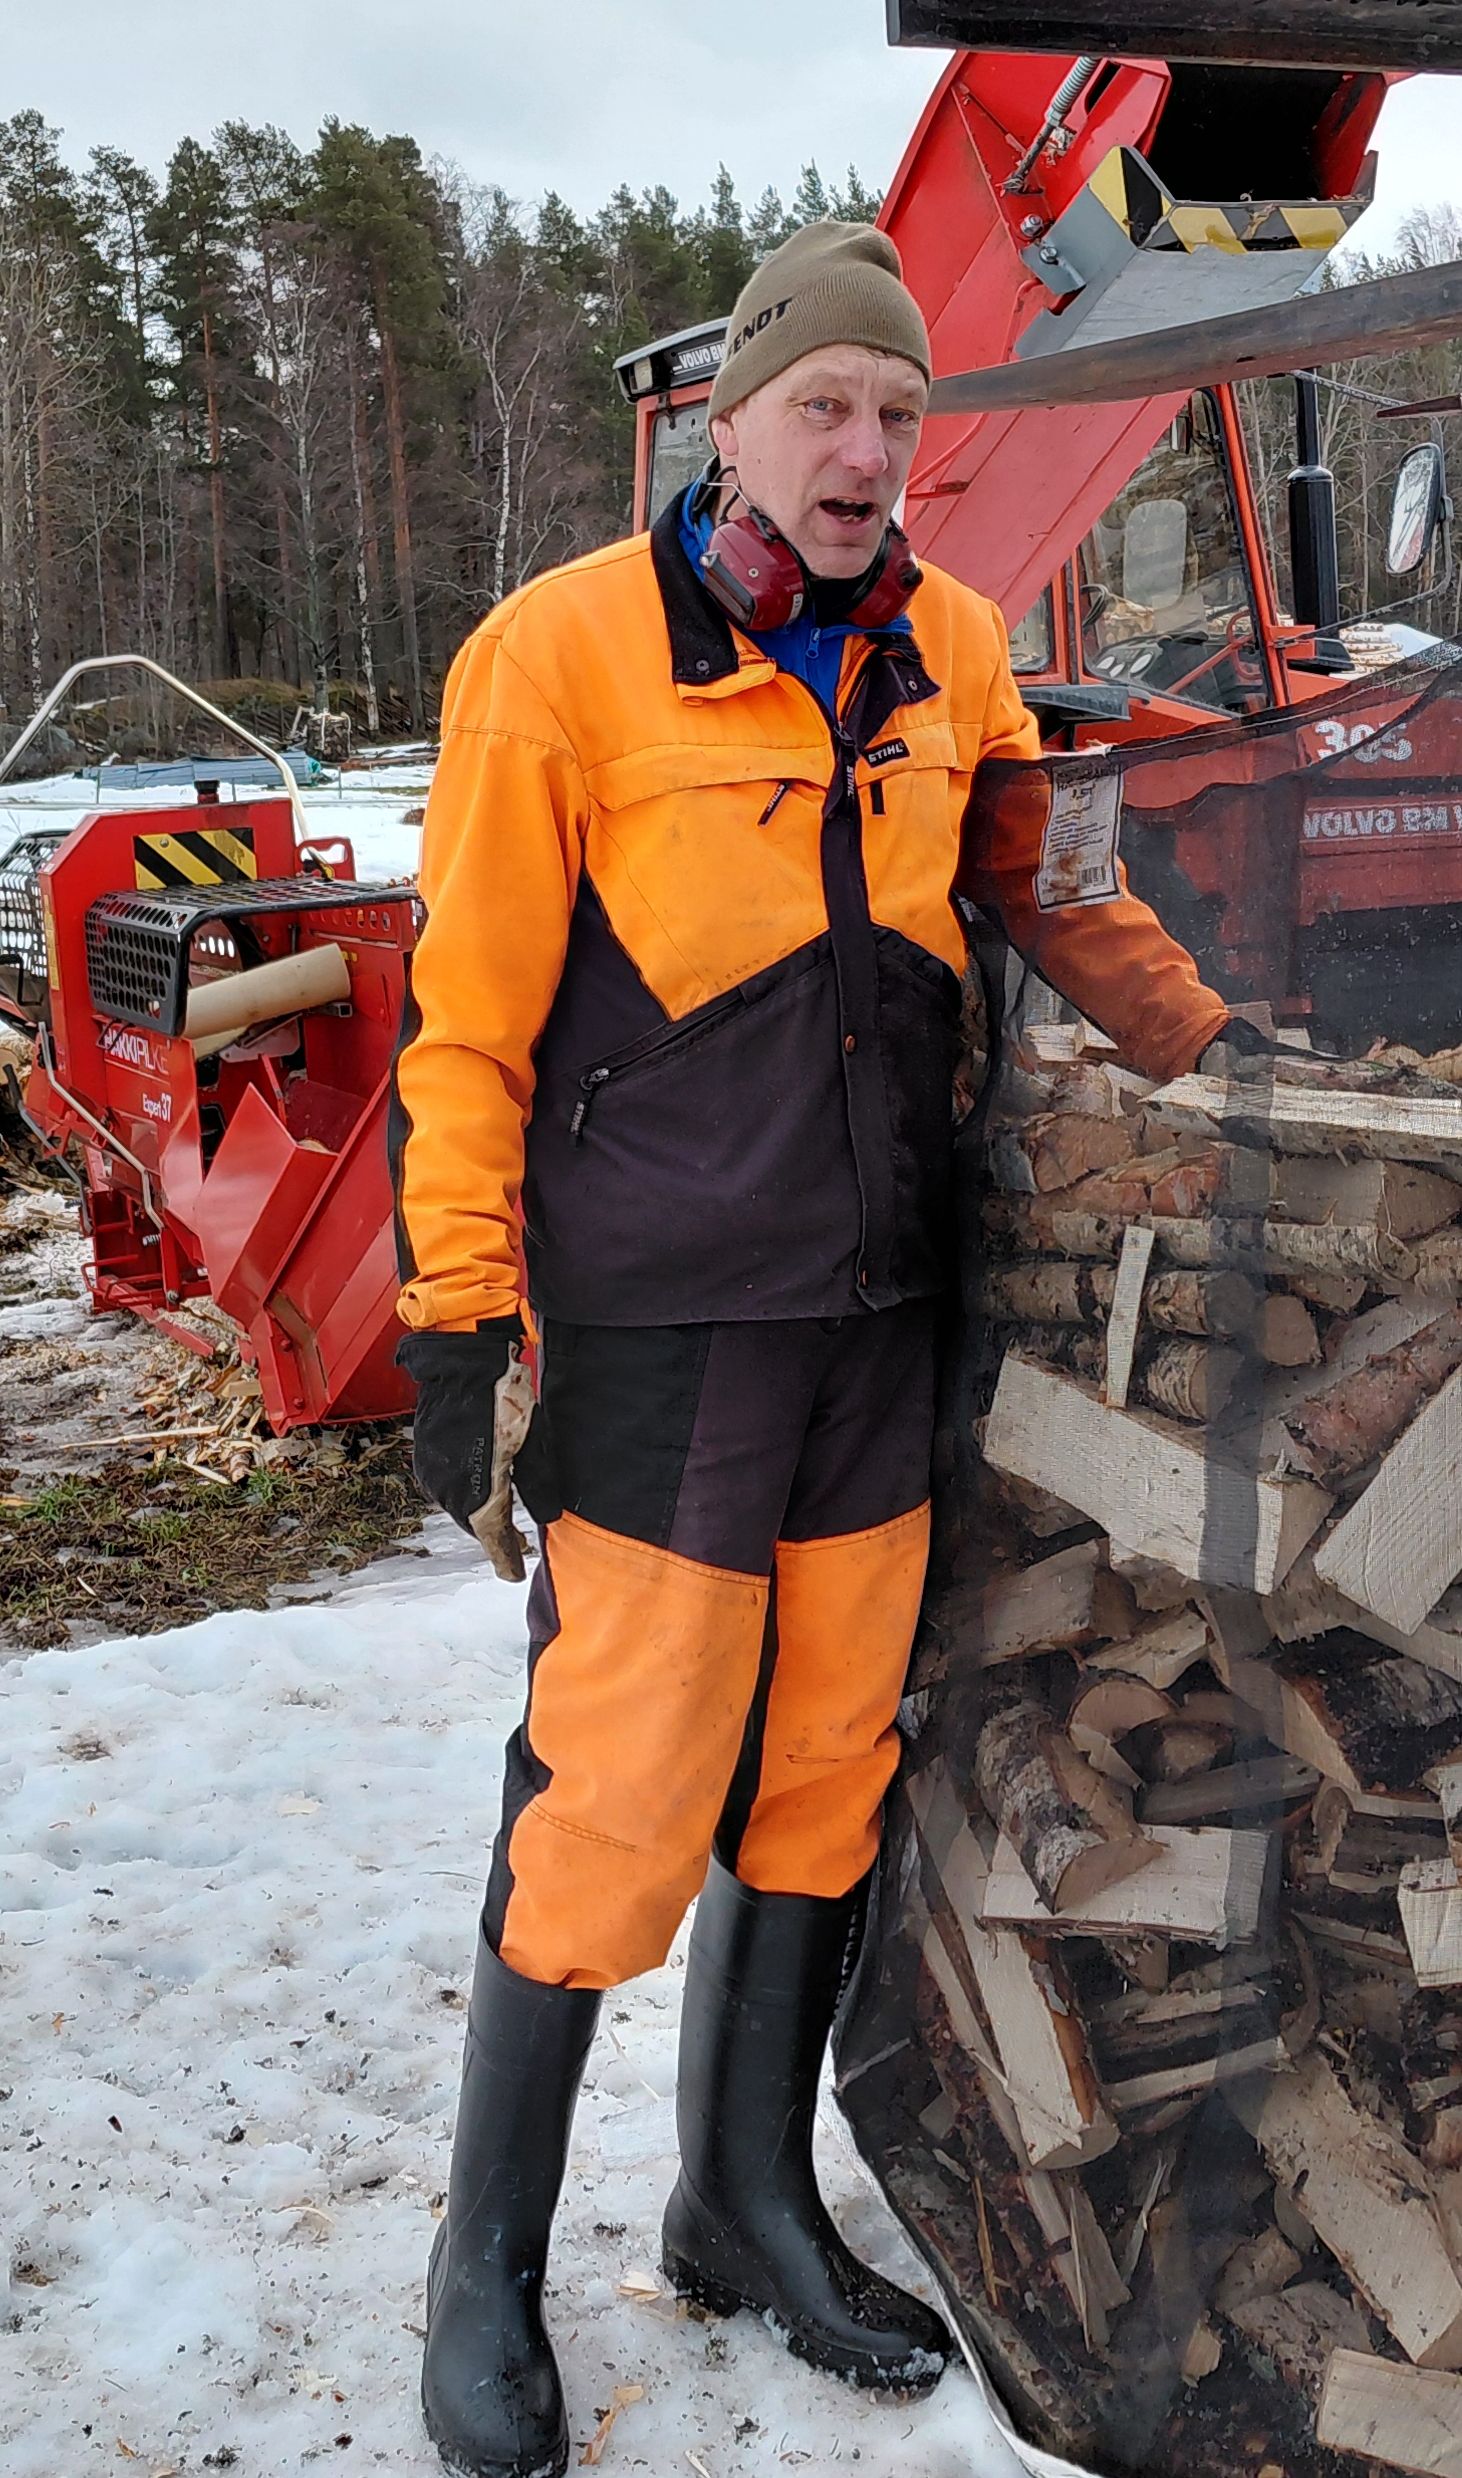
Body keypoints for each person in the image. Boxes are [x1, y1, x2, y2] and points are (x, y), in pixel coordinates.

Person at [388, 218, 1232, 2478]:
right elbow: (460, 1021)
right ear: (732, 424)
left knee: (827, 1775)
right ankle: (484, 2272)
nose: (863, 450)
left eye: (897, 414)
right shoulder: (558, 659)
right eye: (824, 409)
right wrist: (456, 1316)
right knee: (621, 1793)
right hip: (668, 1323)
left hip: (885, 1302)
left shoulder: (956, 649)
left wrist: (1227, 1061)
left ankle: (744, 2202)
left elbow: (1049, 890)